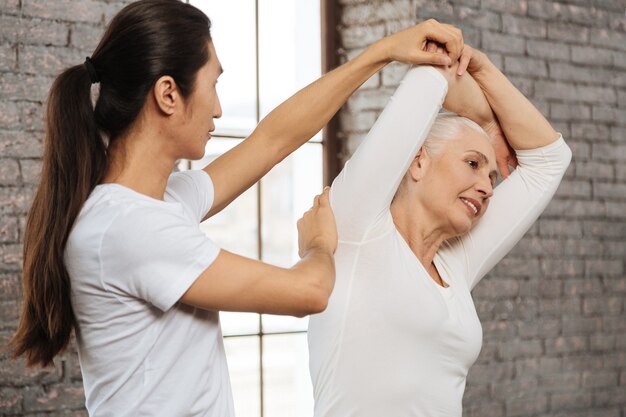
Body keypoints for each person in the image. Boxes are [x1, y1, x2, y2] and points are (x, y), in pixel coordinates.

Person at [8, 0, 465, 415]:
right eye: (213, 85)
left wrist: (381, 53)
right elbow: (307, 292)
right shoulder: (130, 227)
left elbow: (272, 139)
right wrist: (320, 245)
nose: (220, 109)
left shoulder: (154, 205)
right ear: (168, 94)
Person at [307, 39, 572, 416]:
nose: (487, 185)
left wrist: (483, 75)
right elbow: (431, 74)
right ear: (418, 162)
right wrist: (486, 119)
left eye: (492, 176)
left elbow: (550, 159)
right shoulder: (359, 227)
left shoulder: (454, 261)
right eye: (472, 163)